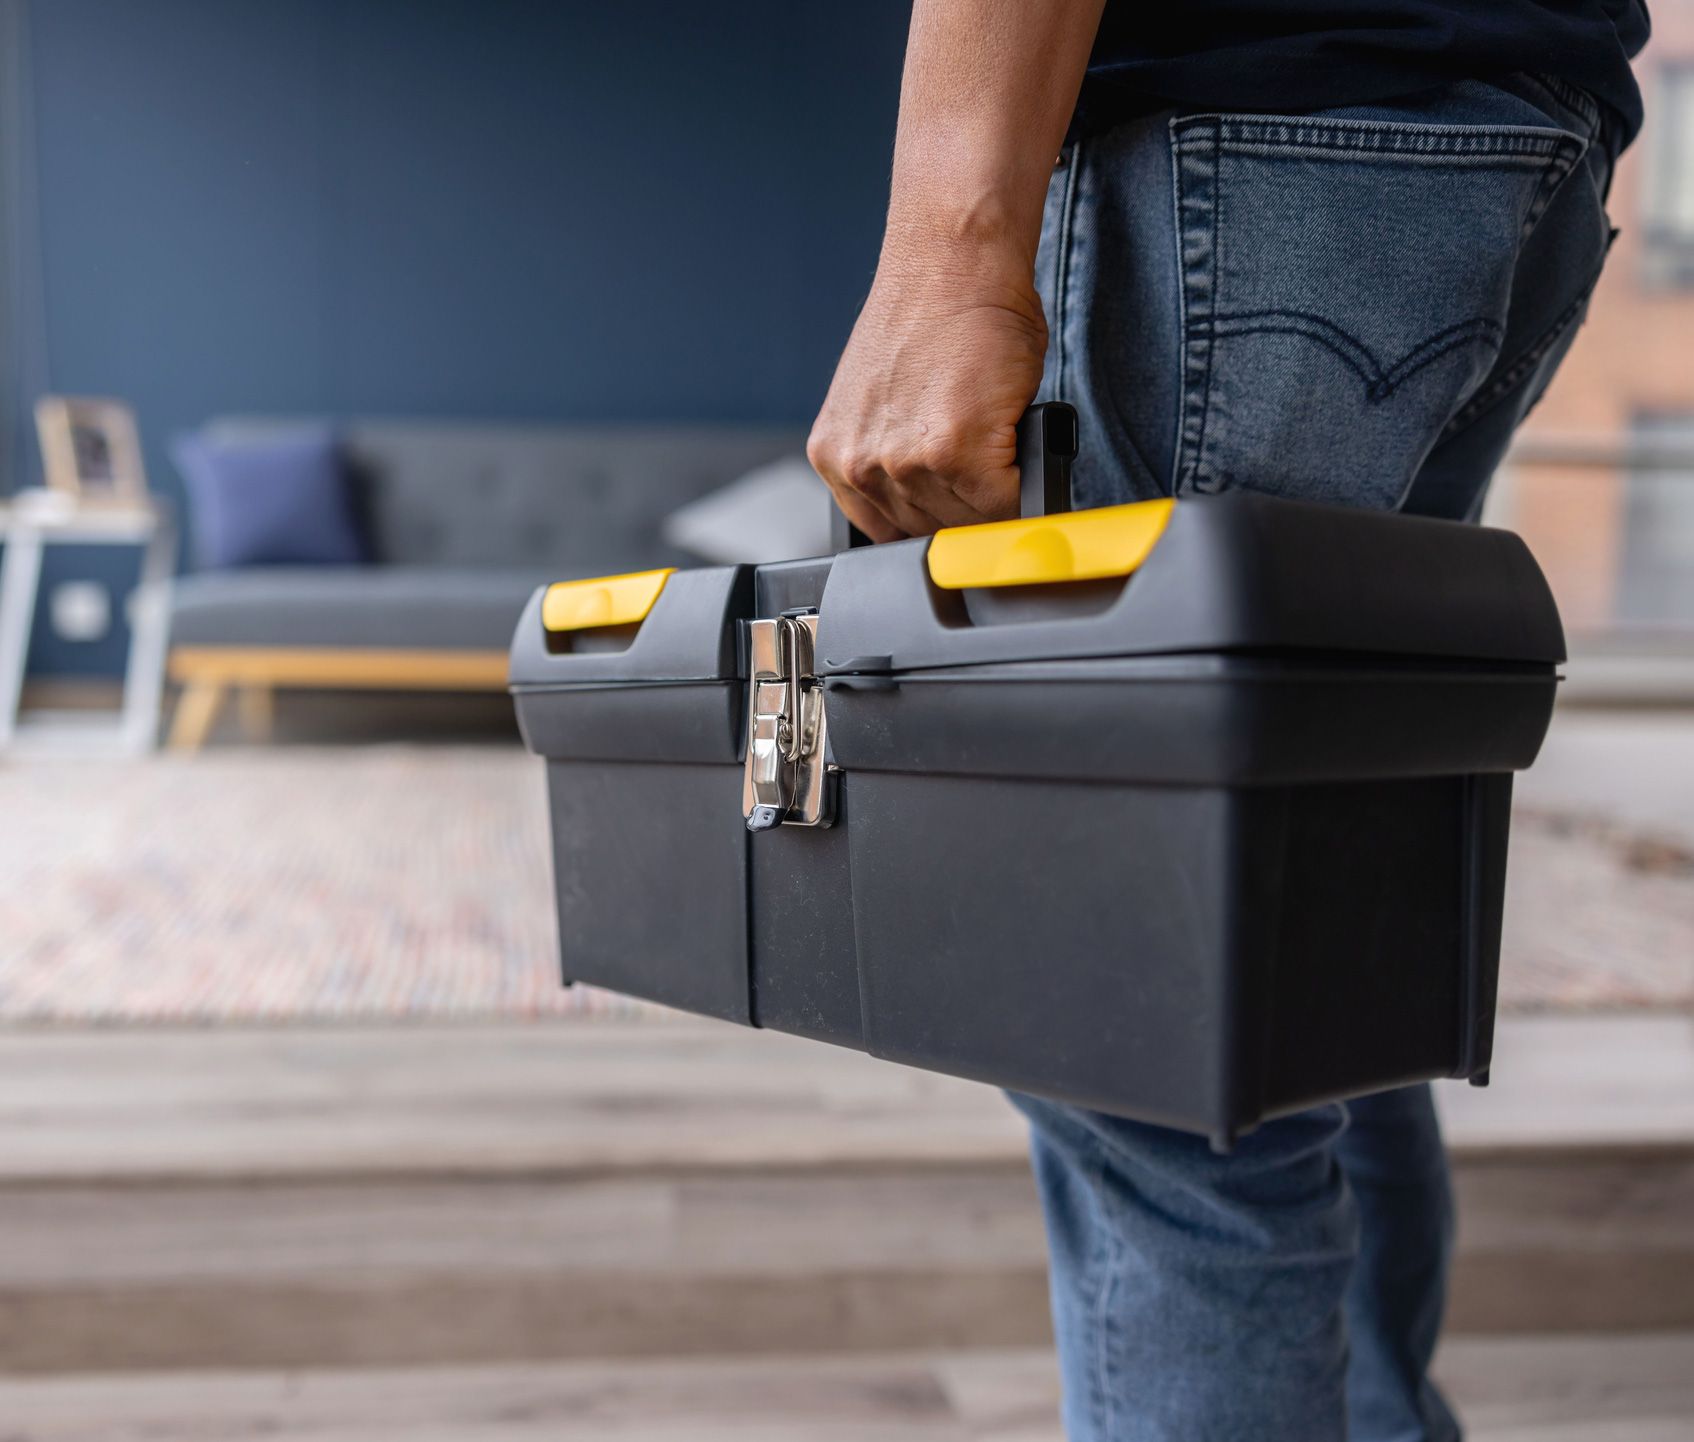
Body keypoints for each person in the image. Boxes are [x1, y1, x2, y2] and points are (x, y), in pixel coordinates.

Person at [806, 3, 1650, 1439]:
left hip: (1247, 146)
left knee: (1138, 1038)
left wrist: (947, 250)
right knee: (1306, 942)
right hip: (1505, 135)